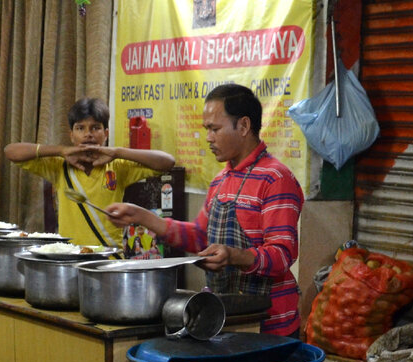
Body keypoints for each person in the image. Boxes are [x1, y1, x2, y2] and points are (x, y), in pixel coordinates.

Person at [106, 83, 305, 337]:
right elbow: (200, 237)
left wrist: (233, 256)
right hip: (229, 319)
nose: (208, 137)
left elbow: (282, 255)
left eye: (215, 129)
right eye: (206, 130)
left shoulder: (276, 179)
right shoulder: (220, 181)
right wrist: (142, 217)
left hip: (271, 326)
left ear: (243, 126)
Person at [4, 97, 175, 249]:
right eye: (80, 128)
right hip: (72, 256)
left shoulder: (117, 166)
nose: (88, 134)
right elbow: (11, 151)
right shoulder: (59, 166)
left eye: (95, 128)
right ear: (72, 135)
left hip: (108, 259)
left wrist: (117, 152)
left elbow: (167, 162)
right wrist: (61, 150)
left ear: (105, 134)